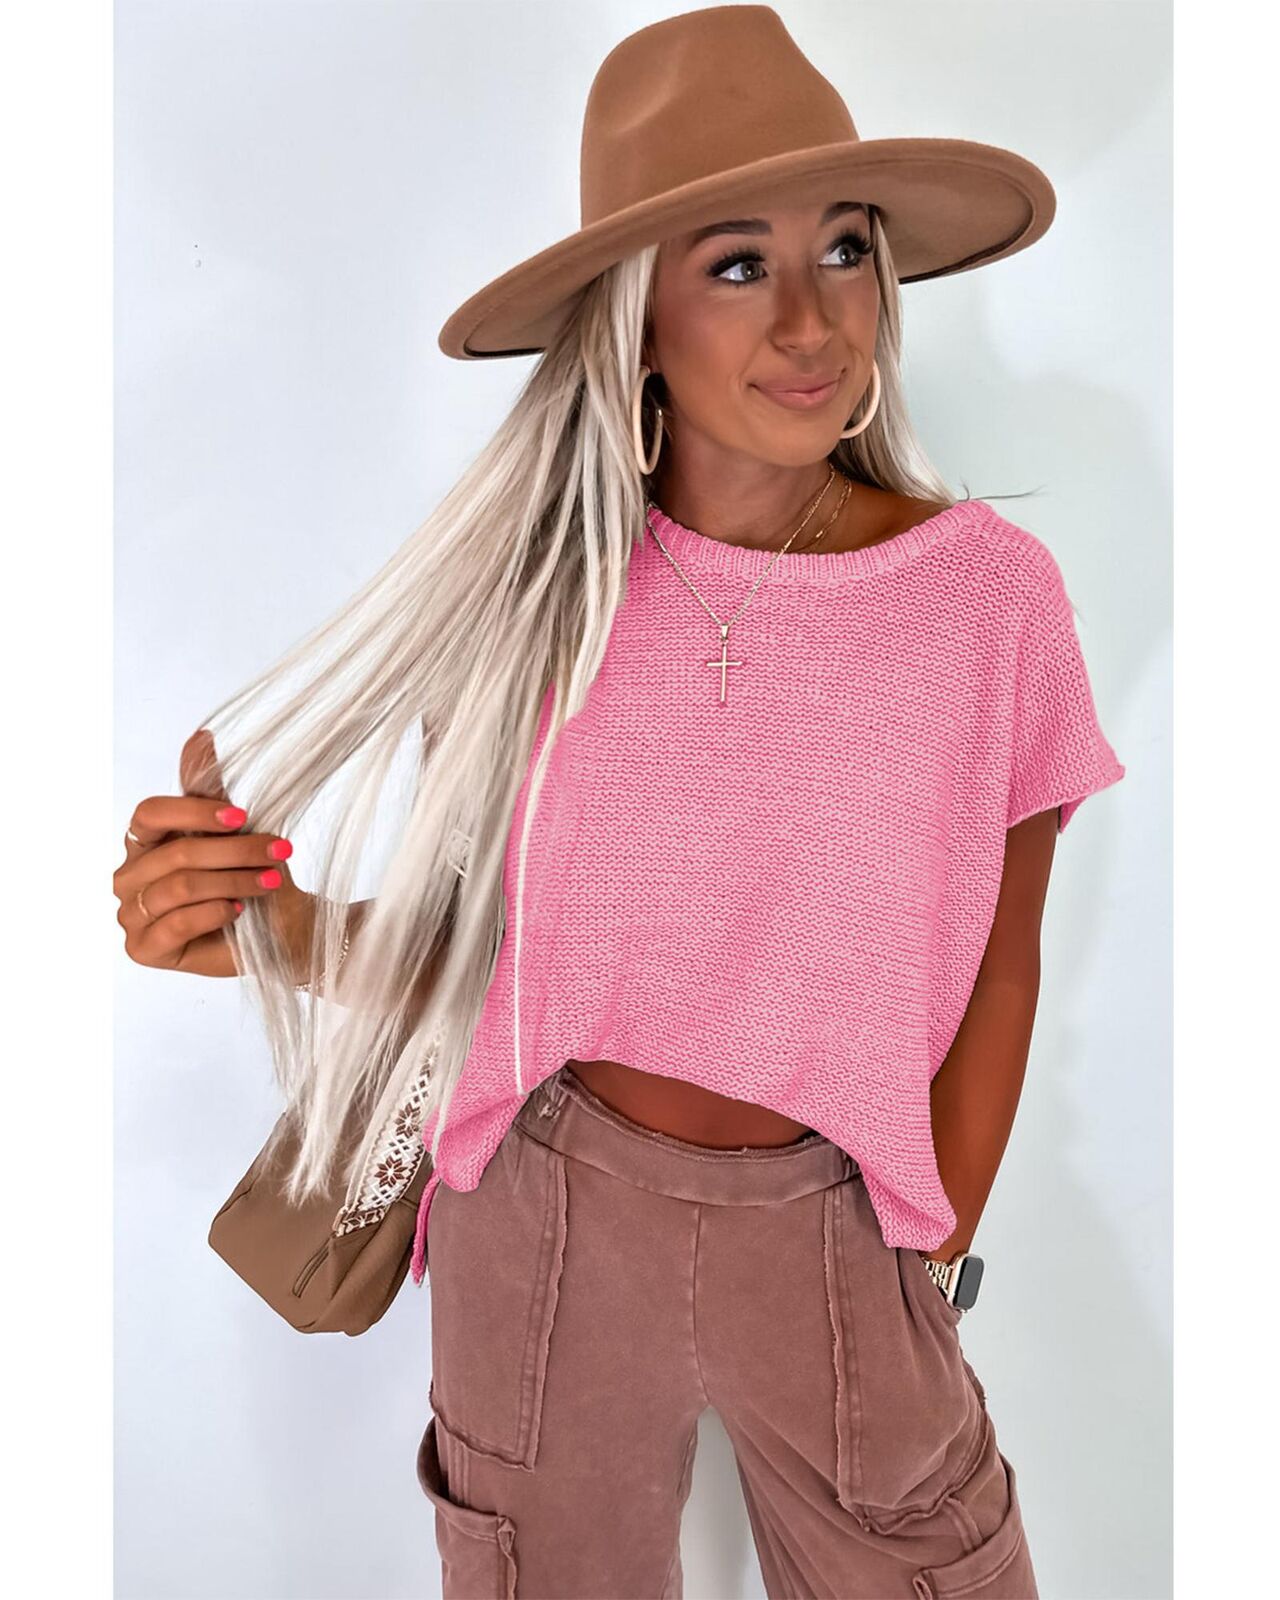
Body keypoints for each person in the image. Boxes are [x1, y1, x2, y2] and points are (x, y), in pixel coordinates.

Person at [113, 7, 1126, 1597]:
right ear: (634, 318)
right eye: (736, 266)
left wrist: (927, 1249)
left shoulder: (985, 599)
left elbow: (1005, 961)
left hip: (841, 1226)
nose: (812, 319)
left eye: (844, 250)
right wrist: (263, 926)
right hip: (546, 1210)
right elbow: (493, 961)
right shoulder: (537, 605)